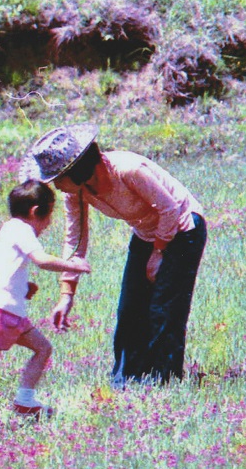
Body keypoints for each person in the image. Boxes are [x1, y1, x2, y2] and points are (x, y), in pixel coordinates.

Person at [20, 124, 207, 388]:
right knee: (129, 308)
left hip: (182, 228)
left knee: (164, 308)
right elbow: (75, 240)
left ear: (77, 170)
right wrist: (66, 295)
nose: (56, 186)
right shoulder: (76, 193)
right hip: (146, 233)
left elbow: (170, 209)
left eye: (58, 178)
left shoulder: (128, 170)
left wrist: (159, 252)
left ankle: (162, 382)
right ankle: (125, 381)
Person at [0, 181, 91, 427]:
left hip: (4, 311)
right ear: (35, 211)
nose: (49, 223)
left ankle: (25, 401)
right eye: (49, 215)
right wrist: (72, 265)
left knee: (43, 348)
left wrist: (22, 286)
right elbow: (41, 260)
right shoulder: (21, 229)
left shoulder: (9, 230)